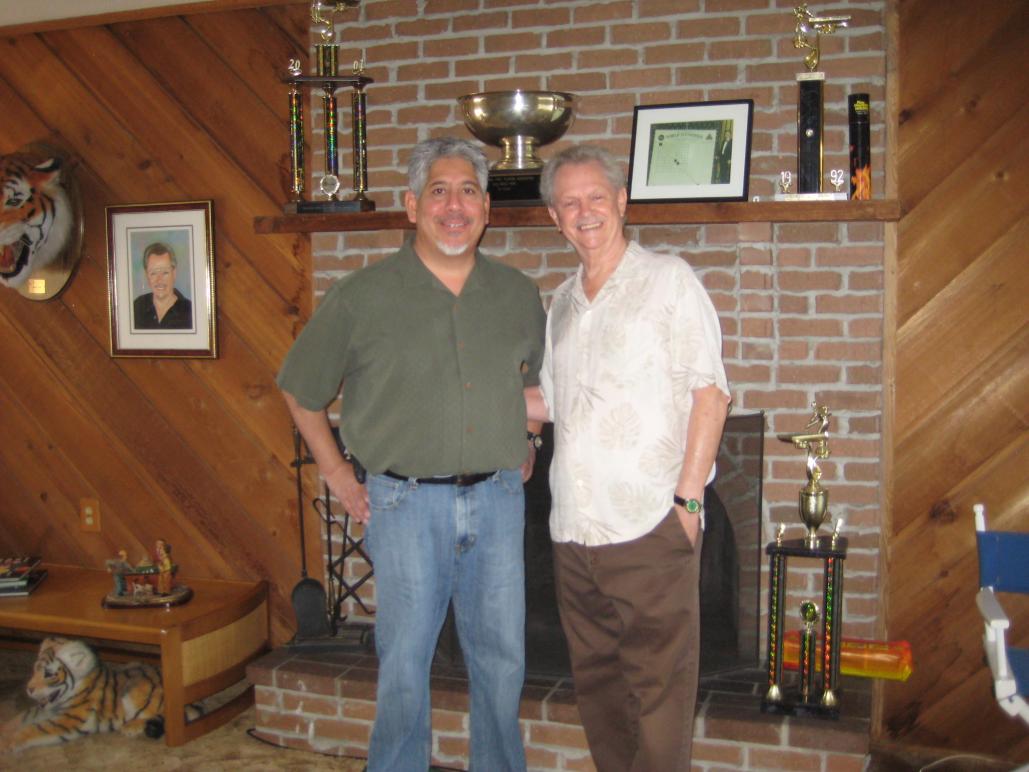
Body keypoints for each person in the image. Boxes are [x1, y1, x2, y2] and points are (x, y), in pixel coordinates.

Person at [277, 137, 546, 771]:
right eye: (439, 191)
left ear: (487, 209)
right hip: (404, 504)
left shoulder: (517, 293)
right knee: (403, 666)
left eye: (469, 192)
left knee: (502, 661)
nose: (455, 207)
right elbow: (300, 390)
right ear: (411, 205)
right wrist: (337, 473)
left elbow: (537, 384)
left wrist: (530, 439)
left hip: (498, 500)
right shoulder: (361, 296)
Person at [526, 144, 731, 771]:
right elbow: (552, 401)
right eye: (569, 202)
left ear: (621, 201)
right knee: (600, 693)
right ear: (555, 218)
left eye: (596, 196)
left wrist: (687, 503)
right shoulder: (562, 303)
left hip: (649, 526)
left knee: (660, 697)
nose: (584, 211)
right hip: (574, 533)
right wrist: (464, 395)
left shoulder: (669, 280)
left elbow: (710, 392)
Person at [133, 242, 193, 329]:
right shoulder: (137, 307)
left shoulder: (190, 311)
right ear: (147, 275)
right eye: (153, 273)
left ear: (174, 273)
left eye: (165, 272)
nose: (159, 280)